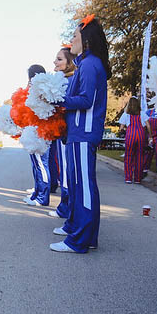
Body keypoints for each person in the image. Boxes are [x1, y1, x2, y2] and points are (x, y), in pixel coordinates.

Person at [50, 14, 110, 254]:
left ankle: (80, 240)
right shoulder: (87, 63)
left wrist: (59, 100)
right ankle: (81, 232)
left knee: (83, 186)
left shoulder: (90, 64)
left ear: (85, 40)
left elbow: (86, 100)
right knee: (77, 185)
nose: (71, 40)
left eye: (75, 36)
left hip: (85, 133)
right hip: (78, 133)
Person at [48, 46, 76, 220]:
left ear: (69, 63)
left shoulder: (68, 81)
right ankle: (64, 207)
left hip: (68, 132)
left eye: (59, 59)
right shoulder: (63, 80)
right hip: (62, 132)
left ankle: (66, 209)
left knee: (66, 171)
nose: (55, 62)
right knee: (64, 170)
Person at [23, 65, 51, 207]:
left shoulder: (43, 89)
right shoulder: (36, 89)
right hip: (34, 131)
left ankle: (43, 197)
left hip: (41, 132)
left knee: (41, 165)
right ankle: (37, 193)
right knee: (37, 164)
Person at [119, 96, 146, 184]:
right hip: (141, 135)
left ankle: (128, 178)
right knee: (139, 157)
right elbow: (148, 125)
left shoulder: (126, 114)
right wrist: (149, 136)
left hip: (130, 135)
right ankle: (138, 179)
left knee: (129, 156)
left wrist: (122, 132)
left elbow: (121, 127)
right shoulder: (142, 113)